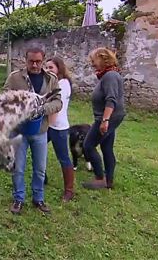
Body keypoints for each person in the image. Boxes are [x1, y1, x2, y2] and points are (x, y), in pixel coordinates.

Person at [3, 47, 62, 214]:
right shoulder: (15, 78)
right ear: (25, 60)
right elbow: (4, 98)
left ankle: (38, 199)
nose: (35, 65)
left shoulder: (51, 79)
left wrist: (41, 109)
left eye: (38, 61)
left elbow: (58, 102)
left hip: (40, 131)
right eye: (31, 61)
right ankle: (18, 199)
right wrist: (20, 108)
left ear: (43, 60)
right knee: (18, 168)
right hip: (18, 132)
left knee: (40, 169)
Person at [81, 47, 126, 190]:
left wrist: (105, 120)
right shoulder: (109, 75)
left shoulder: (110, 76)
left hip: (108, 117)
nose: (92, 63)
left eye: (93, 60)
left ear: (103, 58)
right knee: (107, 148)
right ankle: (109, 180)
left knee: (88, 145)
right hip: (112, 117)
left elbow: (111, 99)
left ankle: (100, 178)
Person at [44, 56, 75, 202]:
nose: (48, 70)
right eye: (47, 67)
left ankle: (69, 191)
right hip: (49, 125)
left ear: (59, 68)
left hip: (58, 127)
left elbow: (56, 108)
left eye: (51, 68)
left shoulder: (63, 84)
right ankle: (42, 177)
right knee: (39, 149)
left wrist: (47, 125)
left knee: (63, 158)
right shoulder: (52, 82)